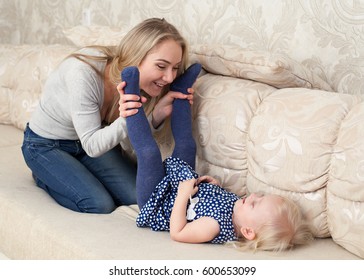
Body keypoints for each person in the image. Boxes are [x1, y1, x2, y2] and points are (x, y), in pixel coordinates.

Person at [123, 63, 314, 252]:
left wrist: (182, 195)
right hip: (180, 184)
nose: (254, 196)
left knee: (149, 153)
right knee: (187, 145)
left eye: (256, 204)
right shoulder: (238, 208)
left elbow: (178, 232)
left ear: (248, 231)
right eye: (261, 196)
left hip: (157, 201)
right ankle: (181, 91)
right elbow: (211, 201)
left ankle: (131, 98)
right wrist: (213, 186)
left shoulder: (214, 227)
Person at [21, 18, 194, 214]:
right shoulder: (82, 74)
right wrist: (128, 117)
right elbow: (93, 145)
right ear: (136, 57)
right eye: (161, 66)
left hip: (88, 144)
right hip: (46, 145)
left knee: (138, 195)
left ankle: (74, 172)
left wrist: (155, 116)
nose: (170, 77)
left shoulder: (141, 85)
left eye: (175, 68)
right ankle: (43, 175)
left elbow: (127, 146)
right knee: (98, 203)